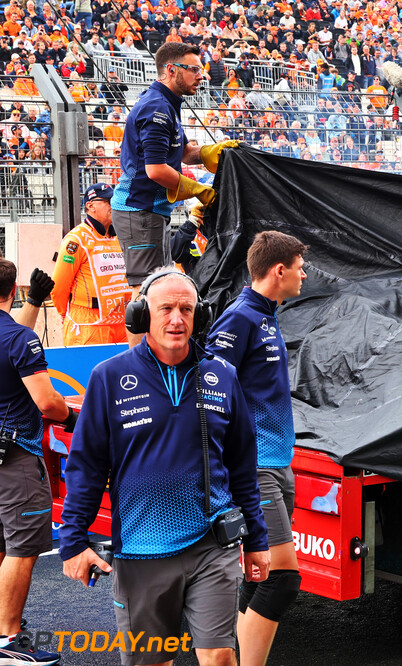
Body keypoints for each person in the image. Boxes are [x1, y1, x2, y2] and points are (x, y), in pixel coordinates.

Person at [58, 268, 270, 666]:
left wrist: (258, 540)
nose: (177, 319)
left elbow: (243, 466)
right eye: (166, 308)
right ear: (143, 316)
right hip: (141, 551)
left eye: (187, 309)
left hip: (213, 545)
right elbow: (85, 466)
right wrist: (73, 542)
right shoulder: (109, 378)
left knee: (220, 657)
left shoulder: (221, 376)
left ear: (199, 317)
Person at [205, 231, 307, 666]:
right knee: (281, 579)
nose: (305, 274)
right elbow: (209, 390)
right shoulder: (241, 318)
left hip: (278, 460)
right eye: (300, 267)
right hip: (255, 466)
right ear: (278, 270)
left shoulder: (267, 314)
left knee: (259, 573)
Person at [110, 41, 237, 341]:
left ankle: (156, 361)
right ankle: (139, 367)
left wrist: (210, 153)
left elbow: (181, 154)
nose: (200, 75)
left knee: (159, 286)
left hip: (152, 212)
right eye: (193, 69)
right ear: (170, 70)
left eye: (201, 70)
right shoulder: (156, 108)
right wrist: (199, 190)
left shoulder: (167, 104)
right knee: (145, 292)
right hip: (138, 211)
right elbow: (156, 170)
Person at [0, 258, 72, 666]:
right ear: (13, 292)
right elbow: (49, 402)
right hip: (14, 458)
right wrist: (77, 417)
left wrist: (35, 302)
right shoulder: (18, 340)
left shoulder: (13, 336)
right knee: (23, 548)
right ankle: (8, 640)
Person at [48, 182, 133, 346]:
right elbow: (59, 286)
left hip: (122, 322)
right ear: (90, 206)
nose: (113, 205)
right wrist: (64, 314)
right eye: (108, 202)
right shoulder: (76, 239)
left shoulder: (120, 236)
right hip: (89, 324)